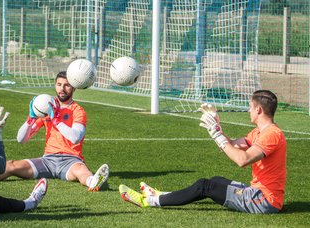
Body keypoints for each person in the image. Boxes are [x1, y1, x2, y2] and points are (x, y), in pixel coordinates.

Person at [119, 90, 286, 214]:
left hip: (264, 201)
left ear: (258, 110)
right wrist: (217, 126)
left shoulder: (272, 135)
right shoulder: (257, 132)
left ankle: (149, 201)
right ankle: (161, 194)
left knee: (205, 186)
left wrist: (217, 134)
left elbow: (242, 160)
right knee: (215, 181)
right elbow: (232, 146)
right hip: (257, 193)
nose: (248, 111)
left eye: (250, 107)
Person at [0, 71, 109, 192]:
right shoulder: (46, 106)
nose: (62, 89)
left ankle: (93, 182)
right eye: (59, 84)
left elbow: (76, 137)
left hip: (71, 160)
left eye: (66, 85)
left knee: (81, 171)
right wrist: (30, 119)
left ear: (73, 88)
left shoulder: (78, 110)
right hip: (47, 160)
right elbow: (21, 139)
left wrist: (55, 120)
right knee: (11, 165)